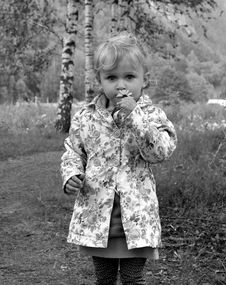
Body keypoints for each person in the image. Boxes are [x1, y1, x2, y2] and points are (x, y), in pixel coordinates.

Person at [60, 32, 177, 285]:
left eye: (129, 77)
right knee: (104, 279)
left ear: (145, 80)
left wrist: (136, 117)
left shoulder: (152, 115)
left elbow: (160, 152)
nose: (121, 85)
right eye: (112, 77)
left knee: (133, 278)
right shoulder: (86, 117)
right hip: (98, 216)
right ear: (99, 80)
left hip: (136, 217)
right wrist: (71, 174)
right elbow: (73, 150)